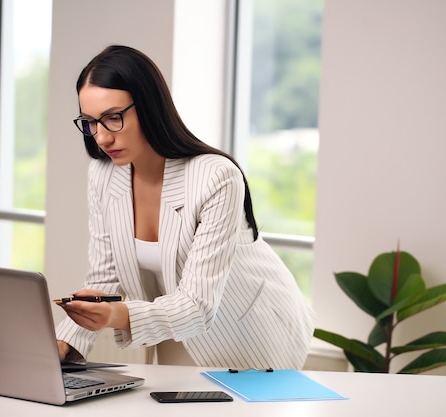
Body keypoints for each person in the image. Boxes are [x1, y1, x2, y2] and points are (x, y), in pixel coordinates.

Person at [55, 45, 315, 369]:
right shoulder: (104, 175)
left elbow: (198, 305)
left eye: (113, 118)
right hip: (173, 332)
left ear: (149, 106)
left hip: (251, 333)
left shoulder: (216, 177)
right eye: (91, 122)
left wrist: (117, 315)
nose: (102, 138)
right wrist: (64, 341)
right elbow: (105, 276)